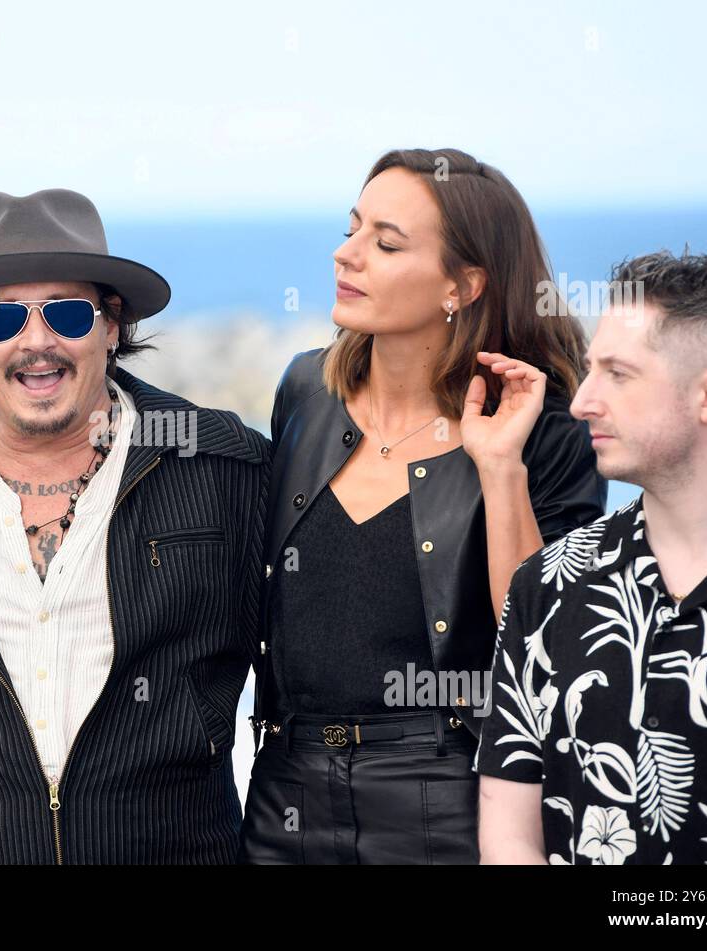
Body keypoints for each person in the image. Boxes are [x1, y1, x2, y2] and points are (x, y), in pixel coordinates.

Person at [0, 188, 270, 863]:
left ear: (111, 326)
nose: (36, 342)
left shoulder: (220, 464)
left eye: (65, 312)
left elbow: (305, 681)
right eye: (1, 319)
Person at [239, 148, 606, 864]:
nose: (346, 255)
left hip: (447, 795)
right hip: (284, 790)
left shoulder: (545, 435)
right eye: (352, 229)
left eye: (385, 243)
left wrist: (498, 467)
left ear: (463, 285)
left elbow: (542, 647)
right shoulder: (305, 393)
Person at [477, 250, 707, 865]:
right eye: (590, 370)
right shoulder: (547, 584)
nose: (582, 402)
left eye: (618, 374)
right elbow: (509, 835)